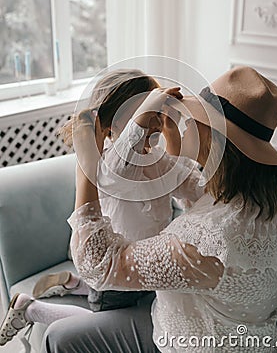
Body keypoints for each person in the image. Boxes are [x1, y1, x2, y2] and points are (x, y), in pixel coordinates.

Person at [38, 65, 277, 353]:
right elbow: (190, 185)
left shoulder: (203, 238)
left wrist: (84, 165)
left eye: (195, 119)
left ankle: (60, 293)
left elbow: (99, 265)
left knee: (61, 336)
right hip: (236, 331)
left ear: (215, 139)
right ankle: (66, 290)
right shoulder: (261, 202)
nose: (182, 123)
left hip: (194, 338)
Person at [0, 69, 203, 349]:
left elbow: (184, 178)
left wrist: (171, 131)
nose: (151, 125)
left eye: (156, 116)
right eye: (141, 117)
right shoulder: (107, 165)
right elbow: (125, 156)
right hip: (112, 265)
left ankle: (74, 283)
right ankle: (30, 307)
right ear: (110, 126)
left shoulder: (156, 160)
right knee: (99, 318)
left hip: (145, 263)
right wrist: (147, 112)